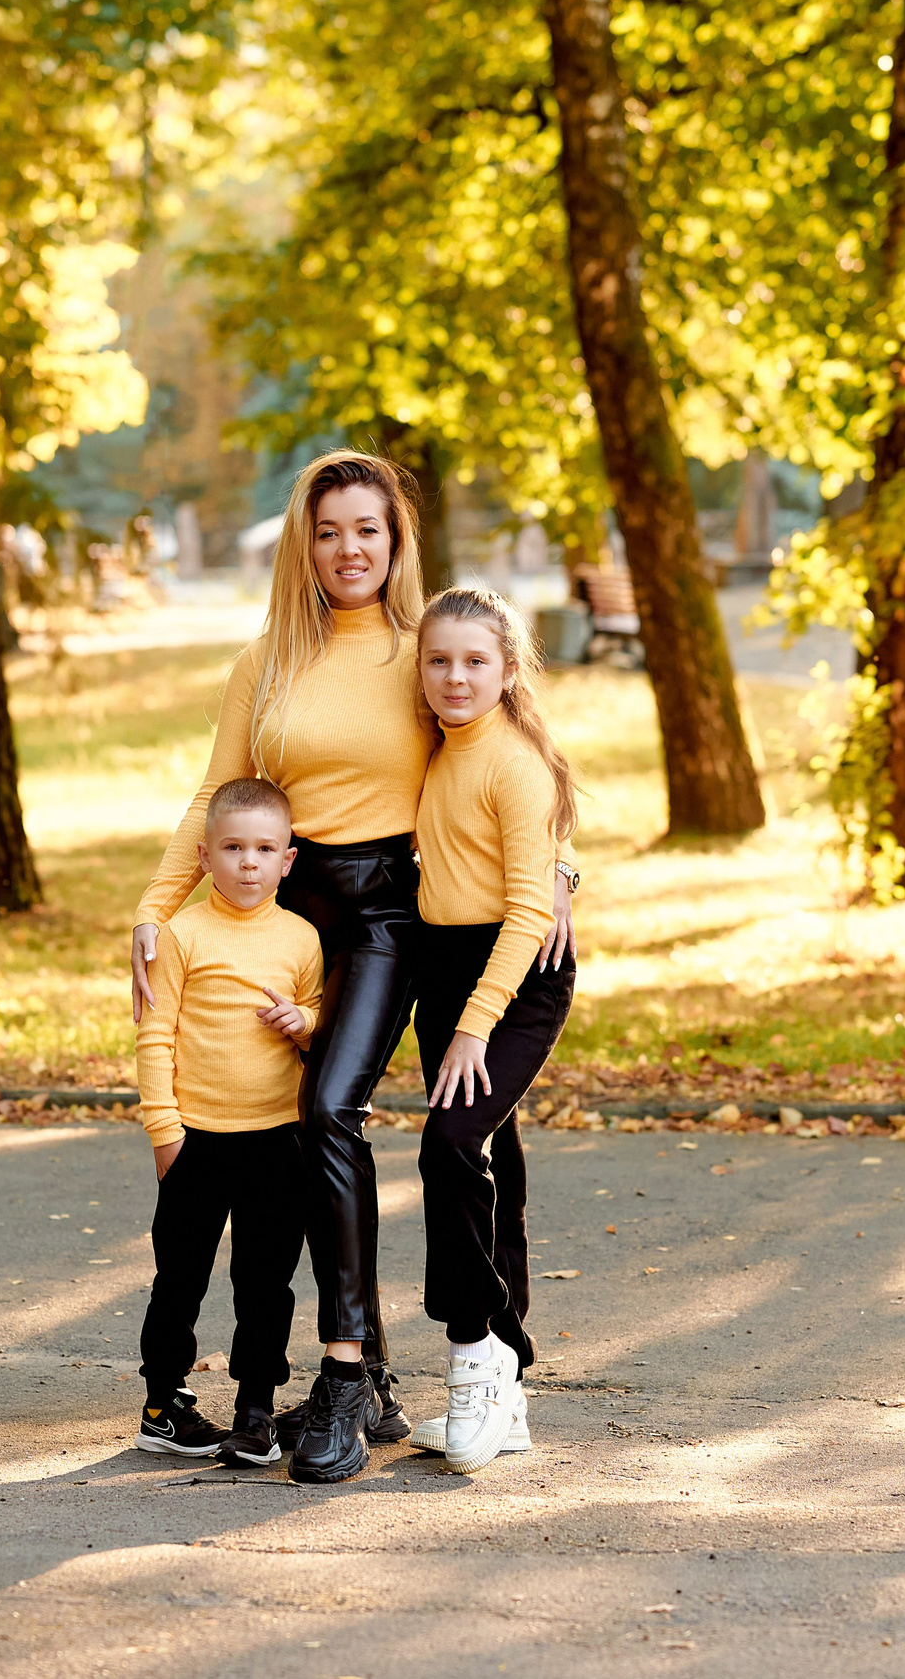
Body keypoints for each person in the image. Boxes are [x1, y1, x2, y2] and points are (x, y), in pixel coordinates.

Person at [128, 449, 578, 1485]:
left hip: (385, 910)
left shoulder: (430, 651)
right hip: (282, 909)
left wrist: (560, 863)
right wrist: (155, 909)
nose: (348, 549)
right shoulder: (268, 658)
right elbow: (215, 796)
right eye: (328, 530)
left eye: (367, 529)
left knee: (333, 1108)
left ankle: (342, 1373)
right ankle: (367, 1366)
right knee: (283, 1126)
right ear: (304, 541)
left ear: (396, 539)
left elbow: (511, 754)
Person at [403, 586, 581, 1473]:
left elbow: (524, 912)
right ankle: (508, 1383)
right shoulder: (436, 749)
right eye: (438, 659)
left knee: (448, 1143)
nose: (455, 675)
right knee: (489, 1159)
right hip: (446, 968)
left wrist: (475, 1027)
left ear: (510, 671)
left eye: (475, 660)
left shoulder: (513, 762)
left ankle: (476, 1352)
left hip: (515, 979)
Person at [131, 777, 323, 1466]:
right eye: (233, 847)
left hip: (277, 1139)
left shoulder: (302, 939)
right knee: (179, 1276)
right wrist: (165, 1130)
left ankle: (254, 1408)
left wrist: (304, 1022)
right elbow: (155, 1035)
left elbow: (319, 1017)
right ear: (205, 857)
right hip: (197, 1141)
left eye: (264, 848)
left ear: (288, 860)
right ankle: (162, 1403)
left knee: (266, 1280)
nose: (248, 862)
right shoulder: (182, 935)